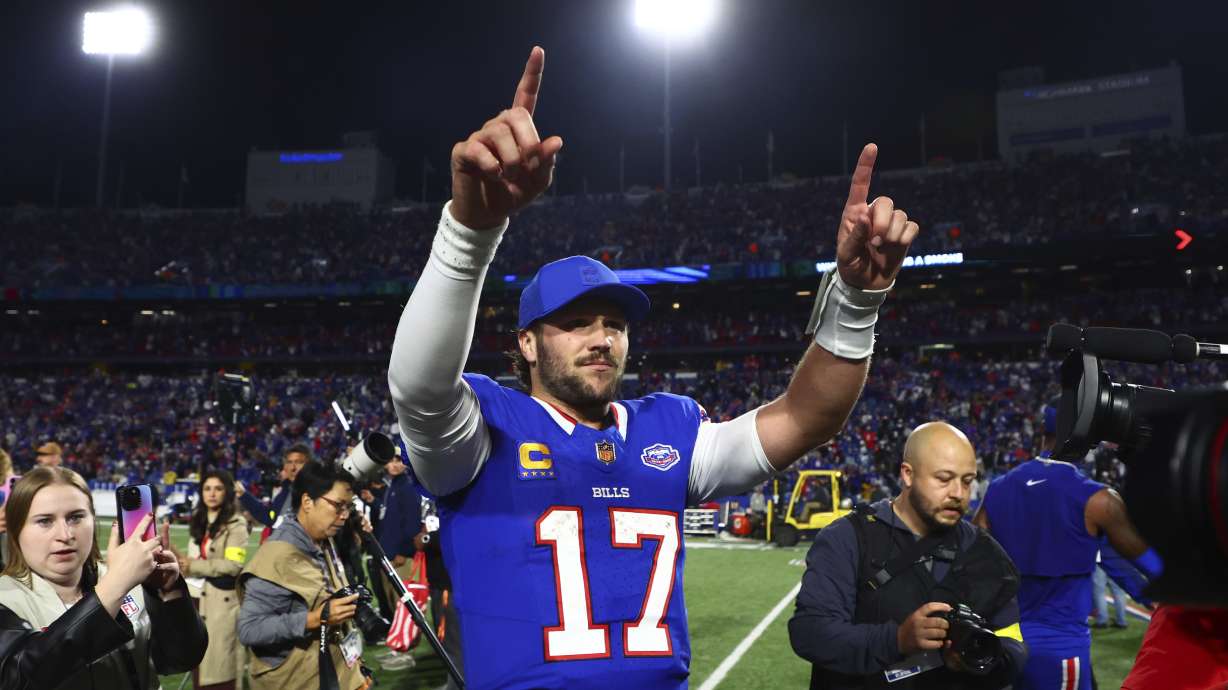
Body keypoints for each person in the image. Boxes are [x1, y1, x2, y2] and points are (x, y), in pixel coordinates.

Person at [387, 46, 919, 688]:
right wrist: (471, 229)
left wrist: (858, 301)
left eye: (613, 323)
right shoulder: (484, 432)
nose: (601, 338)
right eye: (575, 322)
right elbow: (418, 386)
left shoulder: (666, 431)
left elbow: (809, 417)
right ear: (526, 343)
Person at [789, 422, 1027, 689]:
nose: (958, 494)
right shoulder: (847, 538)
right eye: (944, 479)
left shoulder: (983, 550)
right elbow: (810, 632)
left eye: (967, 481)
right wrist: (897, 640)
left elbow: (1013, 641)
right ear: (908, 474)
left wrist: (988, 661)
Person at [972, 402, 1160, 690]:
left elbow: (973, 560)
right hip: (1059, 649)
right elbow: (1152, 565)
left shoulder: (997, 489)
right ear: (1085, 435)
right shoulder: (1097, 499)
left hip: (1005, 644)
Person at [0, 466, 207, 689]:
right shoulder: (5, 598)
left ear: (94, 520)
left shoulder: (132, 581)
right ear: (16, 530)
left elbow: (181, 660)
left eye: (76, 517)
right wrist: (113, 587)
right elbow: (17, 678)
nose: (65, 535)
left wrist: (169, 592)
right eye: (44, 521)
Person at [237, 461, 368, 690]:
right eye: (338, 505)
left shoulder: (322, 538)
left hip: (332, 672)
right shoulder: (277, 554)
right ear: (307, 502)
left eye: (348, 507)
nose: (344, 515)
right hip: (294, 680)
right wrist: (314, 619)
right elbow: (249, 629)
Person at [176, 469, 251, 690]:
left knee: (220, 667)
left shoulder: (236, 525)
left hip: (220, 603)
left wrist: (193, 566)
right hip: (194, 600)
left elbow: (233, 565)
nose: (212, 493)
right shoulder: (198, 521)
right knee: (199, 666)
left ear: (227, 492)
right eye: (207, 488)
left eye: (218, 488)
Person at [370, 448, 421, 671]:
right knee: (394, 605)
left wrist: (404, 551)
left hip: (399, 557)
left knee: (405, 607)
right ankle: (397, 648)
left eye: (398, 460)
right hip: (389, 556)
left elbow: (412, 524)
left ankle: (407, 652)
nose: (393, 464)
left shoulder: (406, 487)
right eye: (390, 460)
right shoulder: (394, 486)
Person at [238, 444, 311, 542]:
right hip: (280, 549)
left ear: (309, 465)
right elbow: (270, 518)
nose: (293, 468)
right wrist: (244, 495)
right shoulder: (285, 492)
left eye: (298, 462)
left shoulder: (315, 492)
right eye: (289, 462)